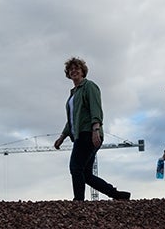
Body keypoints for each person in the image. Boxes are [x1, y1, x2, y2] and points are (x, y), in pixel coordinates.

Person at [53, 57, 131, 201]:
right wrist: (62, 137)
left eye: (77, 68)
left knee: (76, 167)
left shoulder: (89, 86)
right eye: (71, 69)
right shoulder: (74, 93)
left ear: (83, 71)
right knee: (87, 175)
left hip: (88, 133)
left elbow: (96, 109)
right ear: (68, 74)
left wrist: (95, 129)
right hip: (80, 134)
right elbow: (72, 119)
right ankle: (119, 196)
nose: (73, 70)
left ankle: (78, 201)